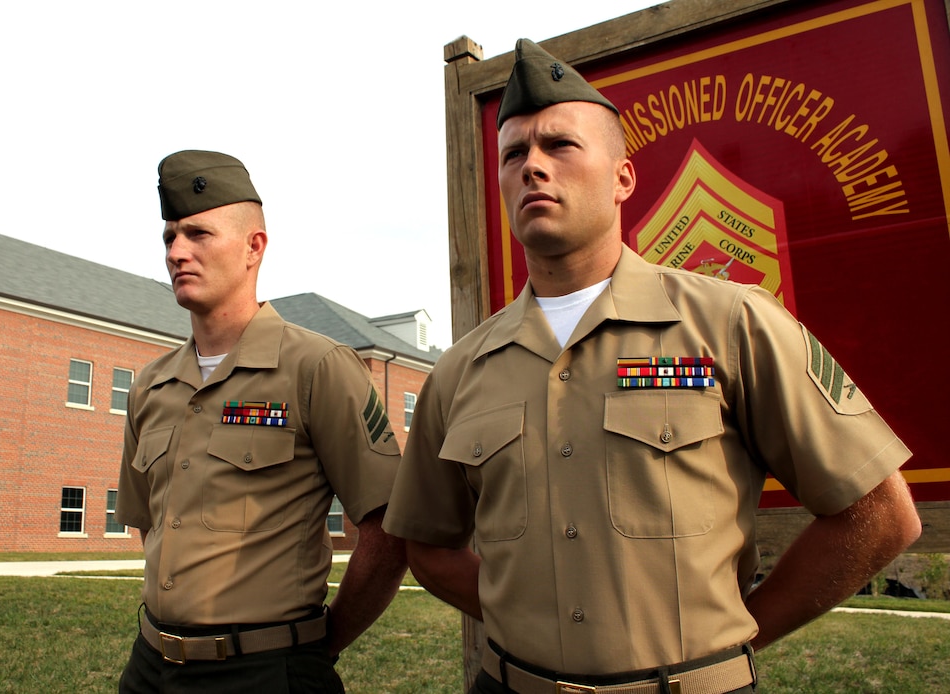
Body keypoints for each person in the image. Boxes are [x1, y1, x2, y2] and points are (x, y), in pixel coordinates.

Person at [382, 39, 921, 694]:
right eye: (514, 154)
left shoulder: (729, 323)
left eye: (560, 146)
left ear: (623, 180)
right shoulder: (462, 369)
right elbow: (428, 546)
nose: (534, 167)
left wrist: (736, 636)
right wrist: (529, 621)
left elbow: (879, 515)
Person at [115, 150, 407, 693]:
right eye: (169, 238)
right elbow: (149, 522)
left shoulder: (317, 367)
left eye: (198, 235)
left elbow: (389, 528)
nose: (177, 252)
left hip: (266, 672)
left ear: (254, 247)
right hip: (150, 667)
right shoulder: (151, 385)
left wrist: (319, 645)